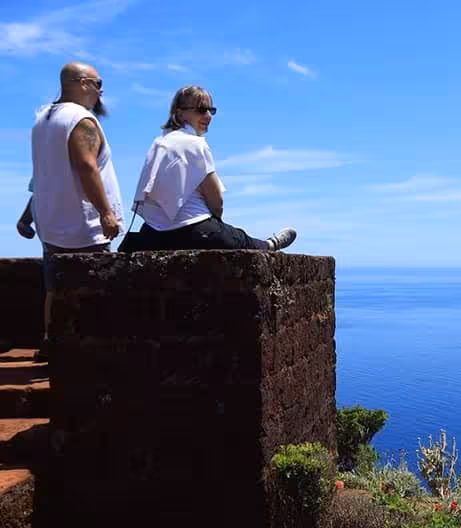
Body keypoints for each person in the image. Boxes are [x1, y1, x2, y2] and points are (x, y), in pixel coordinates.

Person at [25, 61, 123, 360]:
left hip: (50, 219)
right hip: (83, 225)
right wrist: (106, 213)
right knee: (96, 290)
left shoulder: (43, 118)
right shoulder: (81, 120)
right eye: (98, 83)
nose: (101, 90)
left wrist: (27, 215)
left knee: (55, 287)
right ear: (82, 83)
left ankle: (50, 341)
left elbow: (45, 173)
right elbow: (85, 165)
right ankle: (95, 353)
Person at [130, 86, 296, 251]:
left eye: (211, 110)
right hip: (194, 229)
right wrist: (218, 227)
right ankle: (270, 245)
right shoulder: (196, 143)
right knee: (239, 238)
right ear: (179, 113)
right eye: (201, 110)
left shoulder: (158, 143)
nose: (208, 116)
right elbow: (217, 201)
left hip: (154, 233)